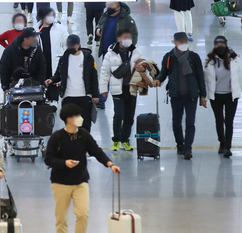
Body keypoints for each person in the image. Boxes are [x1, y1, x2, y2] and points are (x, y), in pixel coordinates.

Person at [44, 103, 120, 233]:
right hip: (60, 182)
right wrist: (64, 163)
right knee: (61, 218)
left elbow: (97, 151)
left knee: (83, 213)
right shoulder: (57, 137)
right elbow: (48, 159)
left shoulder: (84, 135)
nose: (80, 119)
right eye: (77, 116)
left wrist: (110, 164)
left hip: (80, 181)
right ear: (69, 119)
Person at [153, 32, 206, 160]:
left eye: (185, 42)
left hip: (191, 95)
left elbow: (200, 77)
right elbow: (164, 73)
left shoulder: (194, 57)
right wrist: (158, 79)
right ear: (174, 42)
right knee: (176, 122)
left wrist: (203, 95)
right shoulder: (169, 57)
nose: (183, 44)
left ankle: (188, 148)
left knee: (190, 122)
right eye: (180, 42)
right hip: (175, 95)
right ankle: (180, 144)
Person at [99, 29, 144, 151]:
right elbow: (104, 72)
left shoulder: (136, 52)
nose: (128, 39)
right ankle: (116, 140)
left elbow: (143, 67)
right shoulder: (110, 54)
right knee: (118, 115)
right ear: (119, 39)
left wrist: (142, 68)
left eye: (129, 37)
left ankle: (125, 140)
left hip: (132, 89)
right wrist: (103, 89)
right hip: (117, 89)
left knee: (129, 116)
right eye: (125, 37)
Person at [45, 35, 99, 132]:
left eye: (72, 46)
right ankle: (72, 145)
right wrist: (52, 79)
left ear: (78, 45)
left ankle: (84, 145)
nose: (70, 48)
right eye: (68, 46)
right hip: (68, 96)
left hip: (84, 97)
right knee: (71, 124)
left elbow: (93, 77)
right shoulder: (64, 59)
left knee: (84, 124)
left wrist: (95, 94)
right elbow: (58, 74)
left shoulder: (88, 58)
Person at [204, 36, 242, 158]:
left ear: (226, 44)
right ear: (214, 45)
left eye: (222, 44)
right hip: (216, 96)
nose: (219, 46)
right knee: (219, 120)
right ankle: (222, 142)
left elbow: (240, 75)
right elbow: (206, 80)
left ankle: (227, 147)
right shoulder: (209, 61)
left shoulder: (235, 59)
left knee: (229, 121)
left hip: (231, 96)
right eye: (217, 44)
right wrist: (204, 96)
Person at [36, 7, 69, 78]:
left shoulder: (60, 28)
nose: (50, 17)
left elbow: (67, 44)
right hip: (41, 64)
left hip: (56, 62)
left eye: (52, 15)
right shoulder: (35, 30)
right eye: (48, 15)